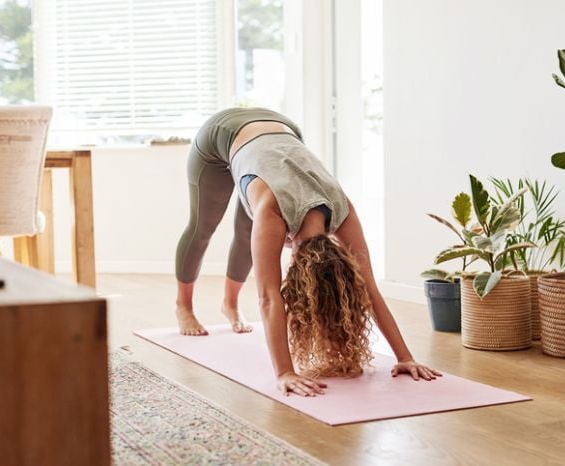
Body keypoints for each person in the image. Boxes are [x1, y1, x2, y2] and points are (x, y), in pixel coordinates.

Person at [175, 107, 442, 397]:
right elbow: (269, 296)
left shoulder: (342, 208)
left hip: (283, 129)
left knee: (245, 236)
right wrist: (284, 372)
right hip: (222, 133)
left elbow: (369, 289)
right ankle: (184, 306)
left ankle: (229, 305)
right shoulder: (273, 211)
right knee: (203, 227)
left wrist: (405, 357)